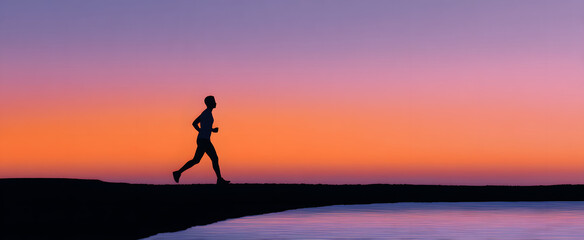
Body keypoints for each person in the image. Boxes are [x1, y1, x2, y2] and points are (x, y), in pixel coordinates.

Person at [173, 96, 230, 185]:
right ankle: (219, 179)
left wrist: (211, 130)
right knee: (213, 158)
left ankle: (178, 172)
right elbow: (195, 123)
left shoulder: (206, 113)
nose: (215, 103)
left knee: (197, 160)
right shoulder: (206, 113)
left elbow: (196, 124)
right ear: (209, 103)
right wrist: (202, 131)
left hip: (203, 139)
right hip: (204, 140)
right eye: (213, 101)